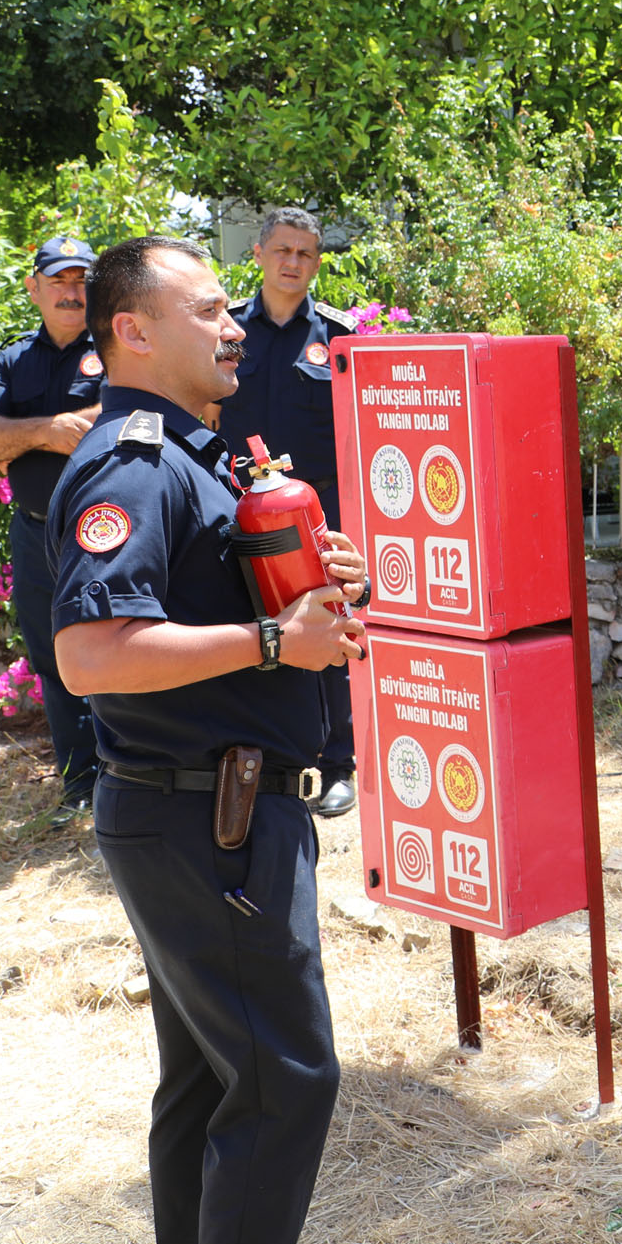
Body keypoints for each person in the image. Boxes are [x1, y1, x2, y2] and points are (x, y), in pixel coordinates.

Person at [51, 235, 368, 1244]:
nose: (235, 327)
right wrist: (275, 645)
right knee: (285, 1075)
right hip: (207, 818)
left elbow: (203, 596)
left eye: (232, 309)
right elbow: (91, 651)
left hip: (209, 810)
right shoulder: (132, 460)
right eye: (208, 309)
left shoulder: (193, 455)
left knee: (206, 1077)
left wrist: (306, 593)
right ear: (132, 331)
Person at [215, 206, 356, 817]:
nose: (292, 262)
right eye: (282, 250)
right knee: (250, 631)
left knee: (325, 629)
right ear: (259, 255)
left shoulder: (339, 336)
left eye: (305, 253)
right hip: (239, 508)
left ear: (316, 263)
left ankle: (337, 765)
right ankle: (272, 760)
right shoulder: (227, 334)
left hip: (315, 513)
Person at [0, 235, 106, 828]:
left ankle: (129, 778)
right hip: (36, 530)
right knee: (53, 658)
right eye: (59, 281)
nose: (72, 293)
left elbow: (132, 409)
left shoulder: (123, 343)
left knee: (120, 646)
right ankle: (79, 785)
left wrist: (24, 430)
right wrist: (48, 430)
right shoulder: (14, 360)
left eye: (81, 281)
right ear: (35, 289)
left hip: (104, 532)